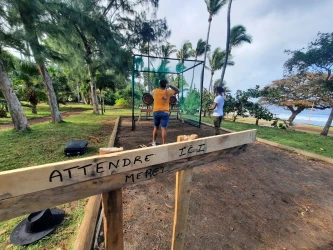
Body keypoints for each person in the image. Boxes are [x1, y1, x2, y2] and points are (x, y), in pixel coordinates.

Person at [151, 79, 179, 146]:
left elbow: (160, 91)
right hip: (165, 113)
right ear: (166, 85)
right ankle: (164, 144)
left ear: (160, 85)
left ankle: (154, 142)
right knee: (163, 129)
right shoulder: (168, 92)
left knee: (155, 127)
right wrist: (170, 86)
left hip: (156, 112)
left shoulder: (155, 91)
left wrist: (165, 88)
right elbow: (178, 91)